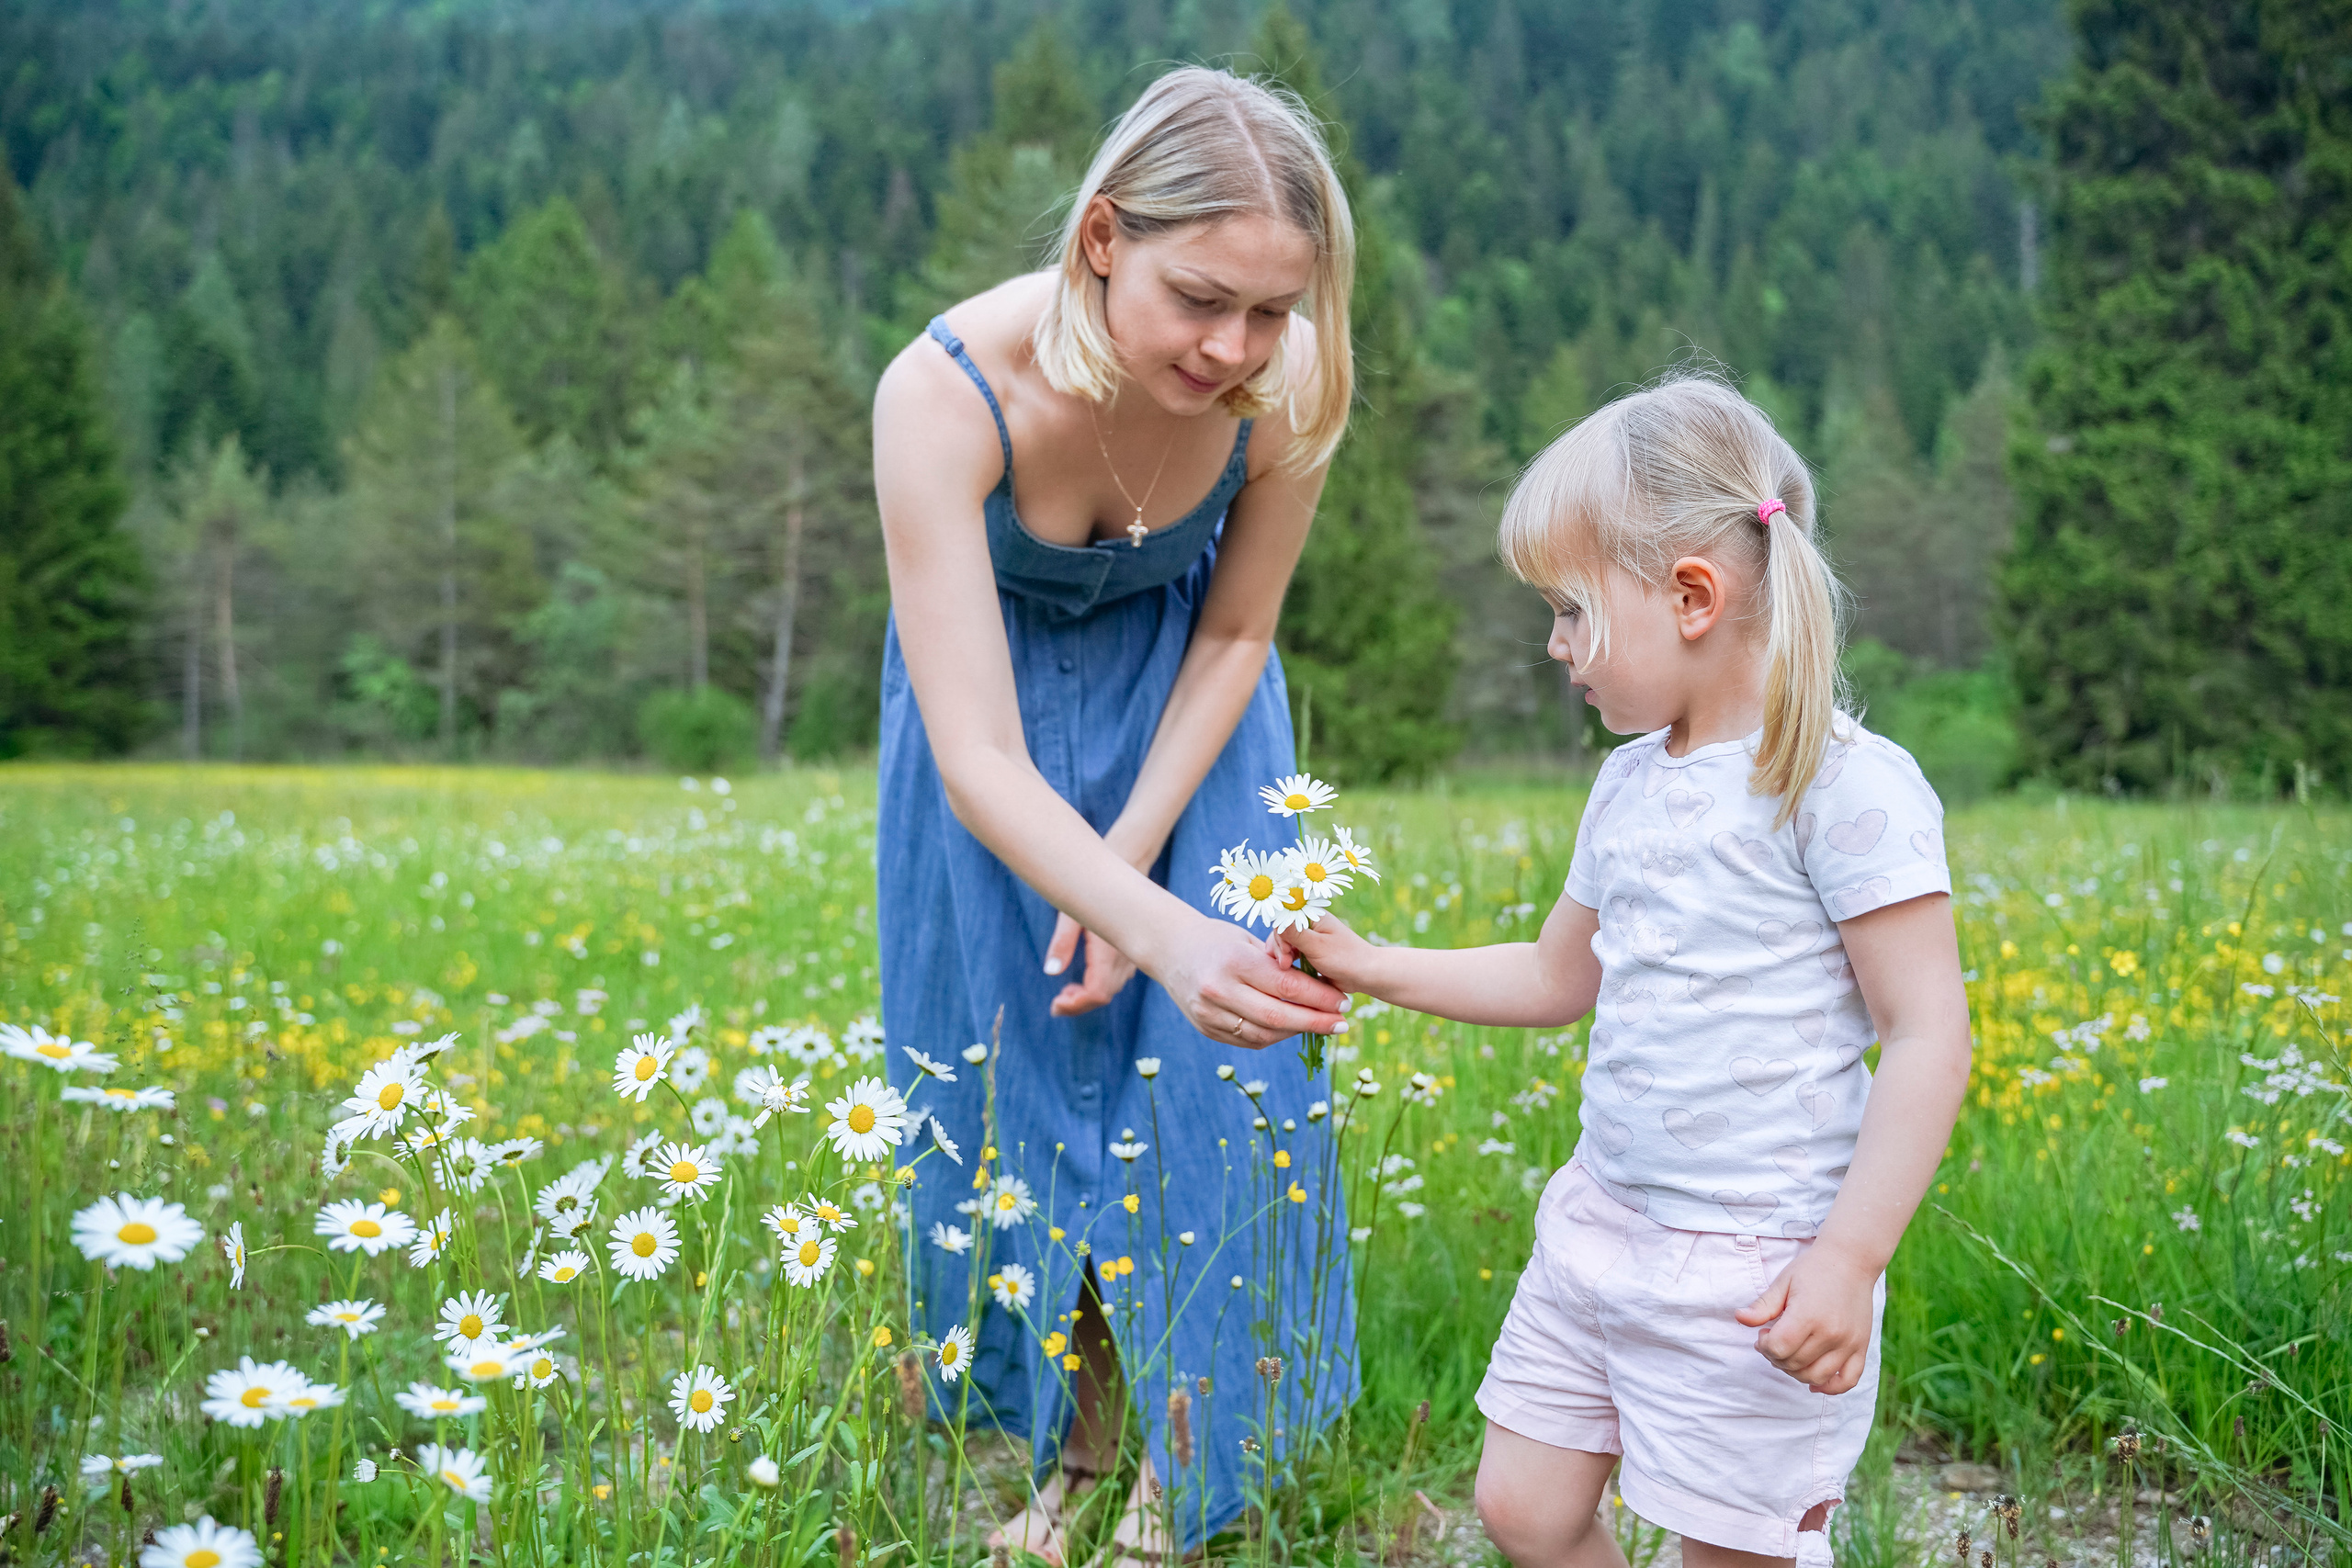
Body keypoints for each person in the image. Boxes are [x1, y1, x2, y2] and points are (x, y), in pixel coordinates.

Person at [1277, 375, 1973, 1568]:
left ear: (1691, 596)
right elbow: (1557, 977)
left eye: (1568, 610)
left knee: (1730, 1553)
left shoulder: (1842, 784)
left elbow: (1926, 1032)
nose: (1555, 646)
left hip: (1758, 1275)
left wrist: (1848, 1261)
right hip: (1600, 1230)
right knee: (1524, 1508)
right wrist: (1374, 964)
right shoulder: (1631, 782)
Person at [872, 66, 1360, 1562]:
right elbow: (977, 757)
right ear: (1100, 239)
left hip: (1193, 732)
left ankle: (1192, 1476)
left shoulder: (1288, 388)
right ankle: (1078, 1454)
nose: (1235, 349)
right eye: (1201, 299)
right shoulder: (942, 393)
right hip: (993, 737)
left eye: (1273, 312)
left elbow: (1233, 634)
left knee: (1219, 1094)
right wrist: (1126, 916)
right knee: (1018, 1080)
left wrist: (1136, 875)